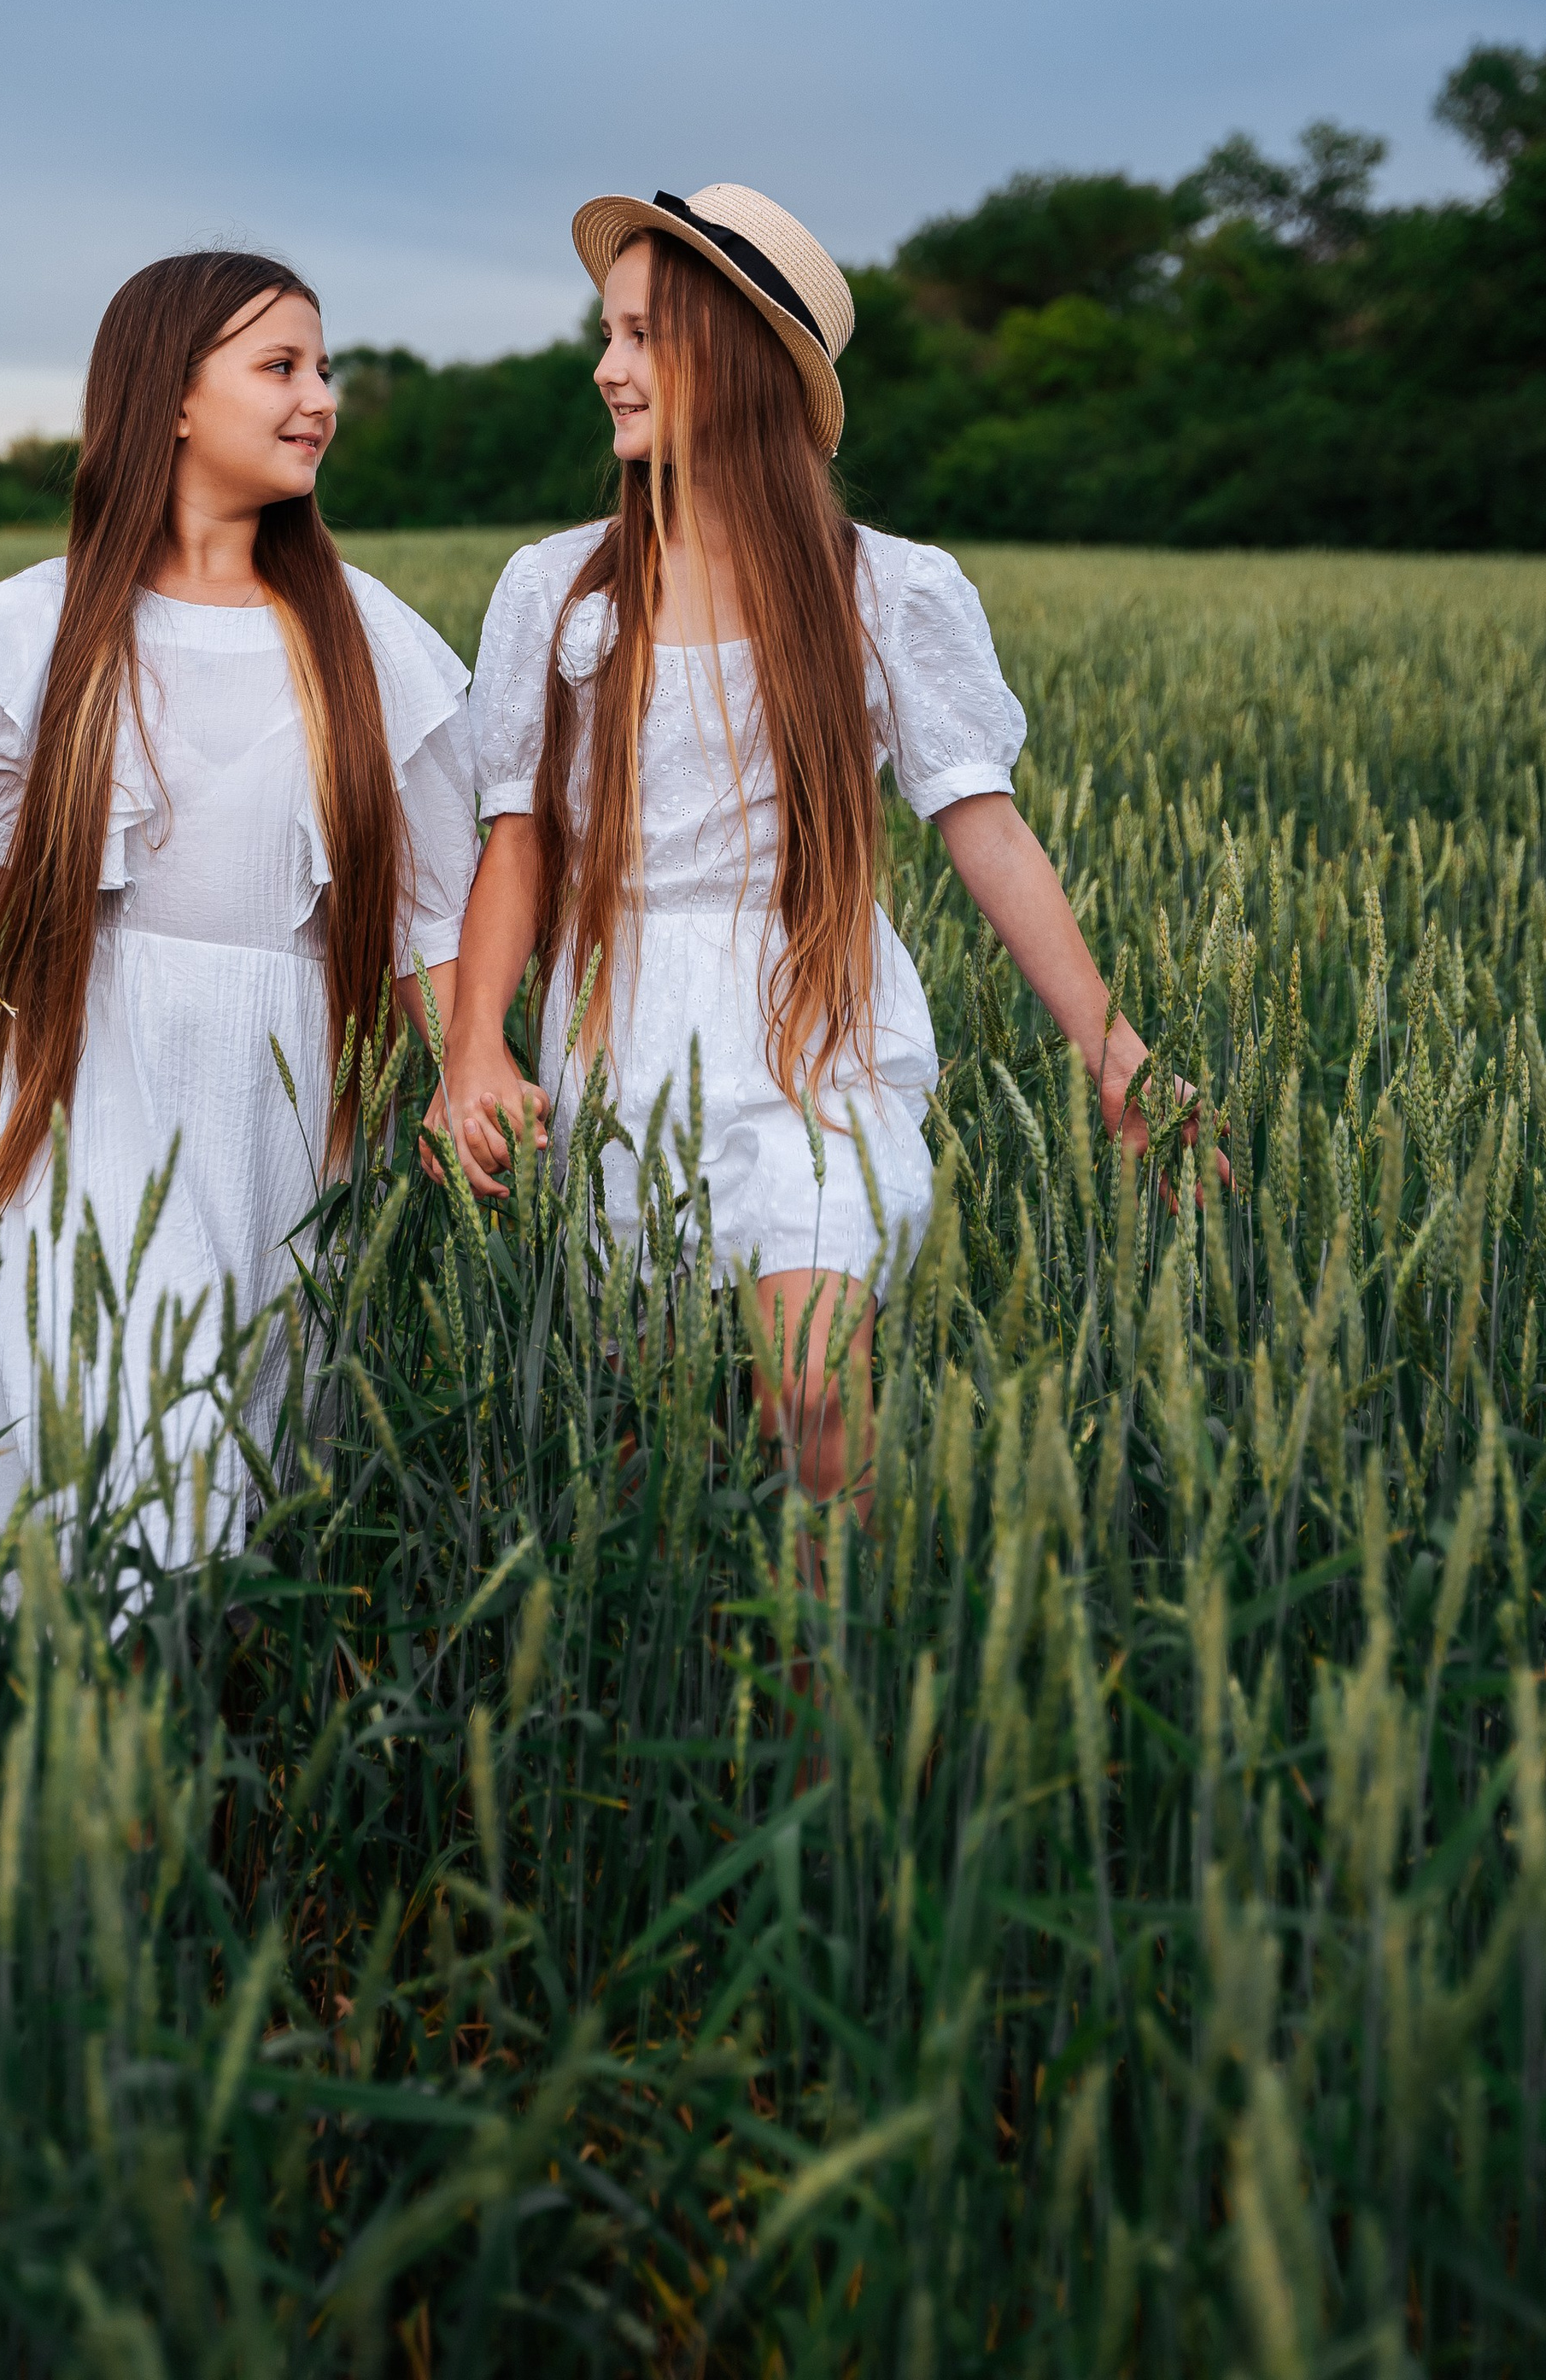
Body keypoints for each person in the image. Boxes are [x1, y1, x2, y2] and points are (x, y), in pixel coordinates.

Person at [430, 184, 1189, 1519]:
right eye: (604, 336)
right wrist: (474, 1048)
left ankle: (841, 1712)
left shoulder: (886, 591)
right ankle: (707, 1692)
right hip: (621, 1037)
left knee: (815, 1400)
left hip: (815, 1028)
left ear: (739, 357)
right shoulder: (556, 589)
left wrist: (1110, 1045)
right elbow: (518, 842)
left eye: (642, 336)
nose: (607, 370)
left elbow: (986, 828)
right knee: (648, 1443)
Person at [0, 251, 477, 1567]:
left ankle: (192, 1755)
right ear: (171, 397)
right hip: (88, 1081)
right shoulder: (41, 626)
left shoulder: (377, 645)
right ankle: (66, 1739)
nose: (322, 400)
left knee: (251, 1469)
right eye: (282, 366)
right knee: (99, 1448)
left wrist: (480, 1082)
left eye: (324, 368)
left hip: (291, 1099)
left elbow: (427, 936)